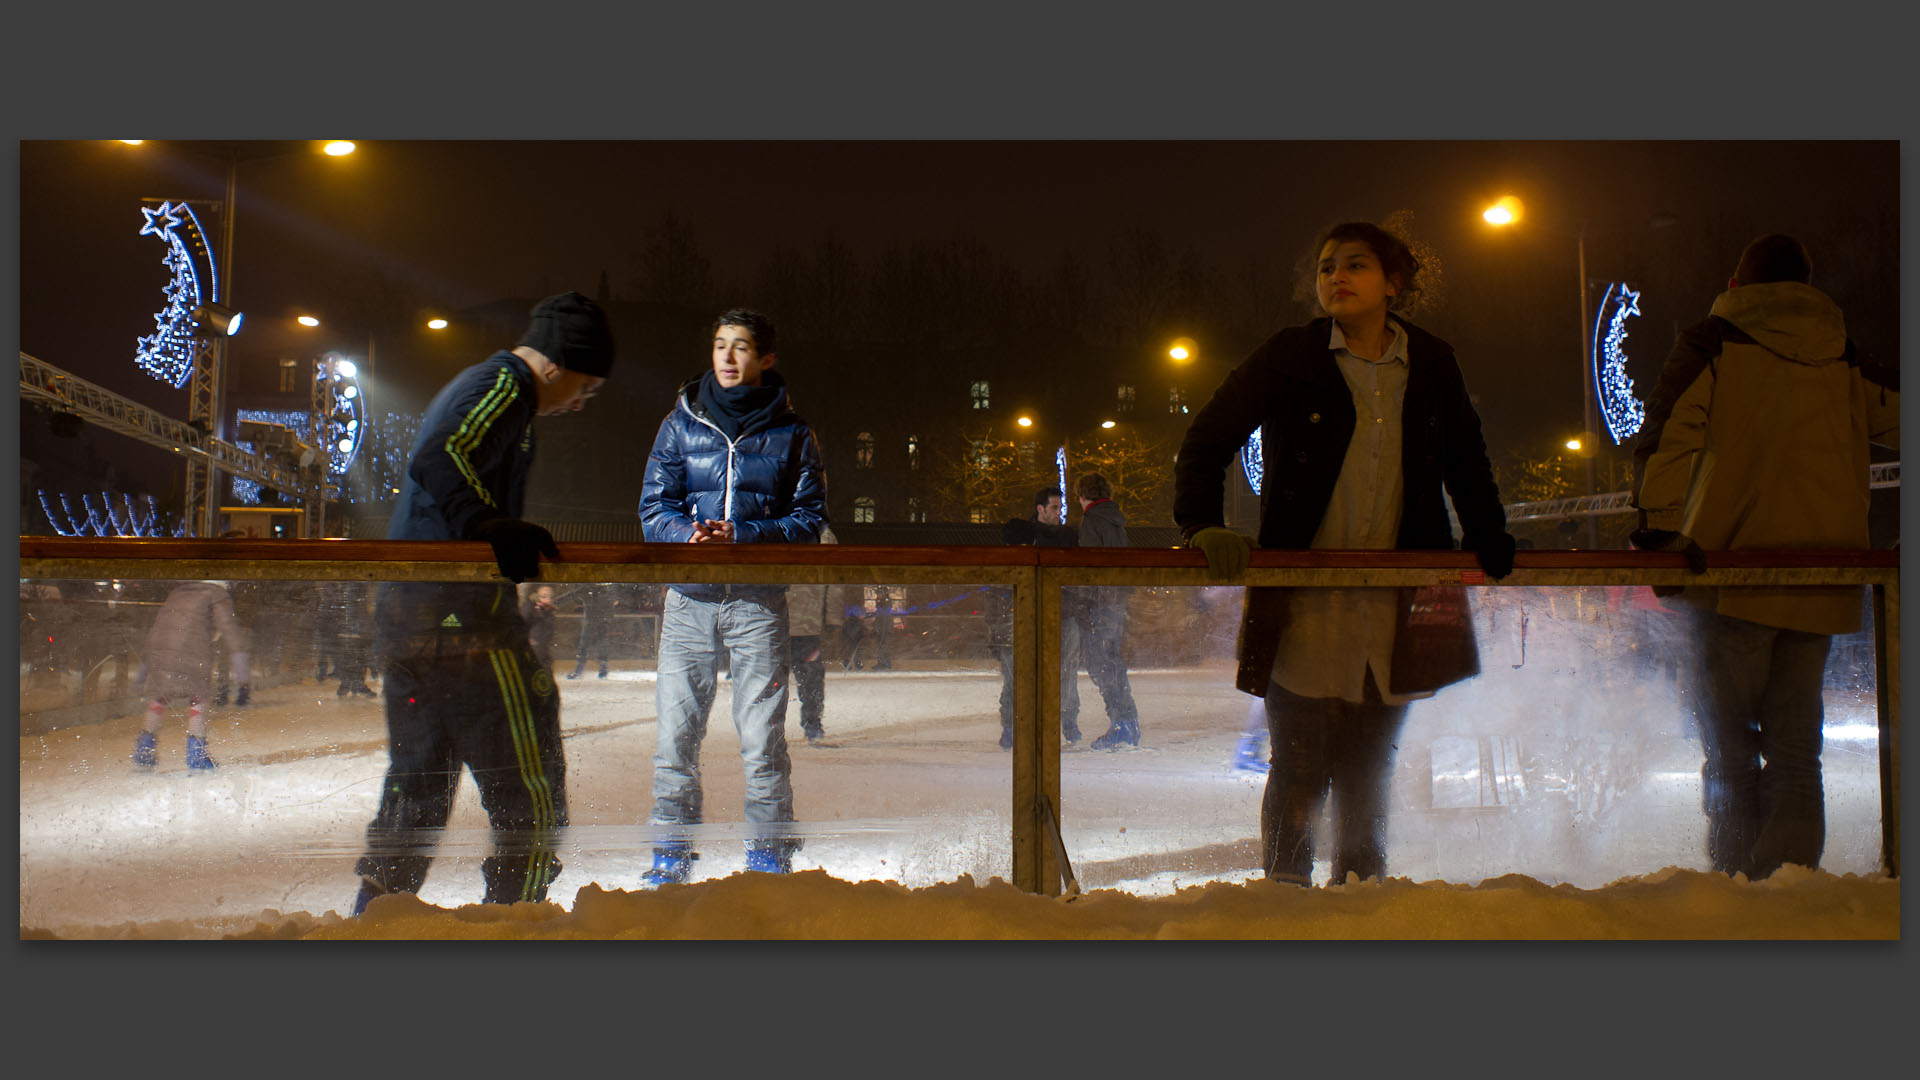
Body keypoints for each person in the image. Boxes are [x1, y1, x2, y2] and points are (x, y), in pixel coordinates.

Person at [1173, 221, 1515, 887]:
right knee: (1299, 767)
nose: (1336, 277)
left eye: (1355, 265)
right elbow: (1208, 436)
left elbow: (1466, 459)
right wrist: (1201, 524)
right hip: (1303, 603)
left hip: (1397, 604)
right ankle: (1286, 900)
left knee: (1368, 771)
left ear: (1395, 284)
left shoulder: (1432, 361)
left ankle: (1362, 902)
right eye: (1327, 266)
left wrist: (1486, 530)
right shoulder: (1291, 354)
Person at [1630, 233, 1898, 881]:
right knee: (1798, 748)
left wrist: (1661, 533)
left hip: (1730, 571)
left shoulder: (1712, 342)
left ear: (1735, 285)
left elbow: (1668, 437)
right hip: (1824, 572)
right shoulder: (1847, 356)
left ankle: (1734, 887)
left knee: (1728, 749)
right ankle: (1794, 886)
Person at [350, 290, 613, 916]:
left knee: (419, 784)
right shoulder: (503, 385)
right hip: (464, 621)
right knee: (530, 783)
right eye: (587, 386)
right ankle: (512, 926)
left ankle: (371, 923)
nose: (581, 403)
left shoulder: (498, 393)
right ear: (556, 362)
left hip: (414, 616)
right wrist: (486, 523)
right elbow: (441, 454)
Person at [638, 308, 827, 884]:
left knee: (762, 740)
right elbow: (654, 506)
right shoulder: (680, 424)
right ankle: (671, 852)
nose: (725, 356)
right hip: (689, 601)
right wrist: (685, 535)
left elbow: (809, 519)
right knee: (675, 738)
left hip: (757, 603)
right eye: (719, 344)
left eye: (740, 347)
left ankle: (768, 854)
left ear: (765, 359)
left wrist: (743, 536)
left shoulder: (793, 433)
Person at [992, 486, 1083, 749]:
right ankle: (1011, 725)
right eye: (1054, 507)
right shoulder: (1024, 534)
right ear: (1040, 509)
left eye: (1061, 507)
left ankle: (1067, 723)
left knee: (1066, 672)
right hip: (1026, 613)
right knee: (1016, 673)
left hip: (1063, 614)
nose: (1059, 512)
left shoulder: (1066, 536)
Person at [133, 580, 250, 771]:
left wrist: (144, 668)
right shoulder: (215, 593)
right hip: (191, 650)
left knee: (160, 697)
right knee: (198, 697)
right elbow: (227, 625)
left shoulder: (178, 591)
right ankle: (197, 753)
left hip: (161, 648)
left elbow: (160, 624)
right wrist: (240, 657)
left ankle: (144, 748)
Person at [1074, 473, 1144, 749]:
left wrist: (1085, 600)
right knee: (1110, 660)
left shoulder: (1092, 521)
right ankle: (1127, 721)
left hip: (1100, 602)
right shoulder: (1115, 519)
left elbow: (1091, 567)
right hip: (1115, 600)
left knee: (1102, 662)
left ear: (1082, 496)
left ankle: (1123, 722)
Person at [787, 526, 851, 744]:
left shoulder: (822, 534)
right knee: (807, 678)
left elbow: (834, 579)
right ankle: (807, 725)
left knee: (810, 679)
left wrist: (833, 618)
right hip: (785, 623)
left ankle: (811, 724)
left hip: (803, 626)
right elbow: (835, 581)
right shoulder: (821, 533)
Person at [568, 584, 613, 679]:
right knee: (588, 645)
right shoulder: (587, 589)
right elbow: (572, 595)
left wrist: (608, 620)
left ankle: (602, 669)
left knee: (599, 644)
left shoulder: (606, 591)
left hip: (599, 622)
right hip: (594, 622)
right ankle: (584, 669)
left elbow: (572, 595)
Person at [521, 584, 559, 671]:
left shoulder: (549, 610)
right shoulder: (529, 607)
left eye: (551, 596)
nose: (548, 600)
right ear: (535, 595)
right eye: (544, 596)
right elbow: (520, 625)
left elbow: (549, 630)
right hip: (533, 647)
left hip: (543, 647)